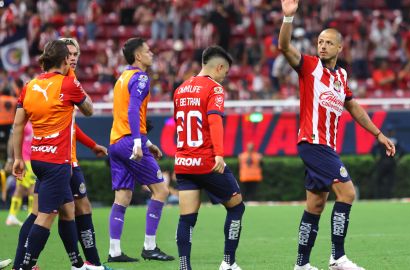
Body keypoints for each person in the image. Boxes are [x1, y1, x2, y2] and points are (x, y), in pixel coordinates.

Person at [278, 1, 396, 270]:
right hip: (313, 143)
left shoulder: (341, 76)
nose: (322, 46)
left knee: (316, 205)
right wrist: (288, 18)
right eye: (320, 41)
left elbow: (353, 107)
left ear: (339, 48)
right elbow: (284, 47)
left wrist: (378, 133)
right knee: (348, 192)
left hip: (327, 147)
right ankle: (338, 258)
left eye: (328, 42)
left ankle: (301, 265)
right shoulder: (309, 67)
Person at [10, 37, 111, 270]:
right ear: (65, 59)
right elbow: (88, 110)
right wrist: (76, 88)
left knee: (67, 210)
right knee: (45, 216)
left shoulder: (29, 85)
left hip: (37, 159)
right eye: (71, 56)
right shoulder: (67, 84)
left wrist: (17, 158)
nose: (73, 59)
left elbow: (17, 125)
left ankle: (78, 264)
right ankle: (24, 266)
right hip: (58, 161)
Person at [173, 46, 245, 270]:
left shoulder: (180, 89)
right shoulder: (214, 89)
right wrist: (219, 155)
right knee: (236, 207)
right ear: (219, 67)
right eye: (226, 72)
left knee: (187, 218)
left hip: (184, 162)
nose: (225, 77)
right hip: (206, 161)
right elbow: (215, 121)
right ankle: (228, 263)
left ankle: (185, 267)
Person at [108, 37, 174, 262]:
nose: (151, 54)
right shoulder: (141, 77)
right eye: (148, 51)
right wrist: (138, 143)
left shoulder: (121, 78)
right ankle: (149, 247)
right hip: (129, 143)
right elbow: (133, 110)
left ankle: (114, 251)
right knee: (161, 191)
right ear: (138, 56)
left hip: (116, 143)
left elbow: (124, 115)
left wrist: (146, 143)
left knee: (123, 196)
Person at [4, 122, 35, 226]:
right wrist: (10, 159)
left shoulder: (34, 121)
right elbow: (12, 139)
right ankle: (31, 217)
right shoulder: (22, 122)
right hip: (26, 161)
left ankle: (12, 216)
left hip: (32, 159)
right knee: (33, 188)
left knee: (20, 188)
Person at [371, 125, 405, 199]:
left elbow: (373, 150)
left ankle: (378, 197)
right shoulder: (395, 140)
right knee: (390, 181)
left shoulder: (382, 139)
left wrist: (376, 158)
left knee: (379, 180)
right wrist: (397, 159)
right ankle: (388, 197)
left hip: (382, 162)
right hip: (391, 162)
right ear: (392, 132)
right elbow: (402, 151)